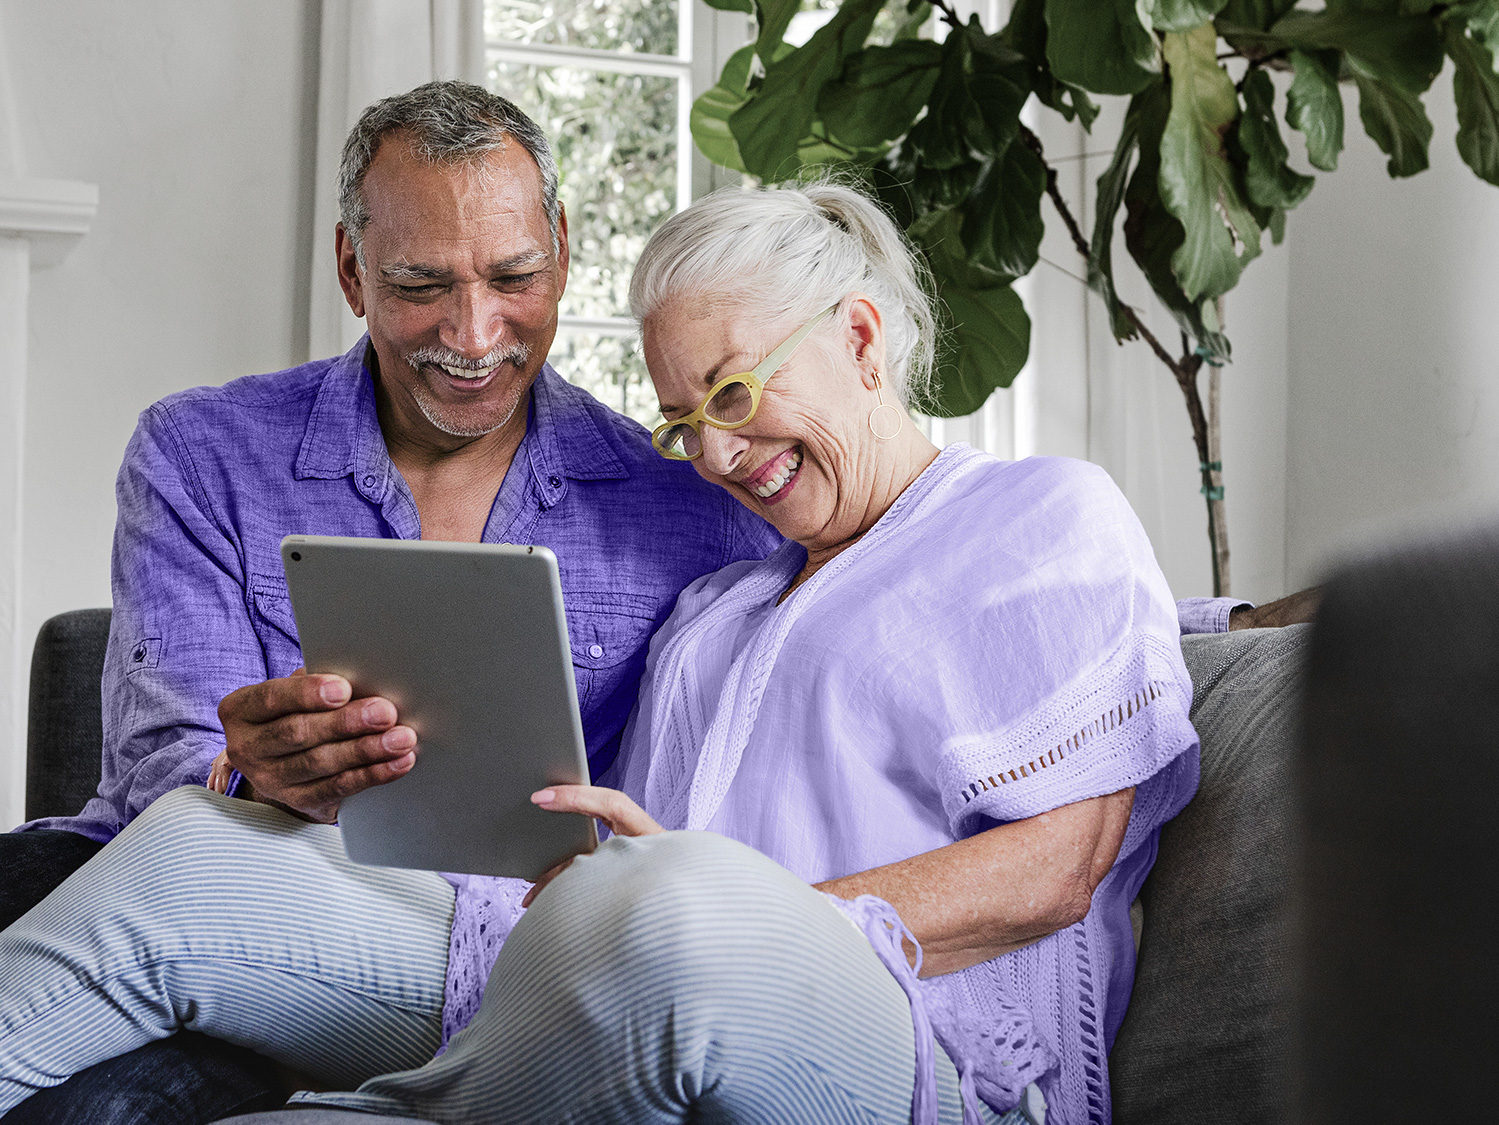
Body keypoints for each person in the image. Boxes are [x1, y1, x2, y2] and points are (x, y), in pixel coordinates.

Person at [3, 177, 1250, 1124]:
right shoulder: (726, 600)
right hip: (580, 969)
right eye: (680, 419)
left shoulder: (1038, 517)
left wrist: (689, 910)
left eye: (733, 394)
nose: (715, 454)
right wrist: (598, 901)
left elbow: (1055, 870)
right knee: (197, 851)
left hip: (907, 1046)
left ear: (863, 341)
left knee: (673, 910)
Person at [0, 81, 779, 1122]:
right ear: (350, 270)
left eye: (514, 277)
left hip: (442, 951)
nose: (473, 332)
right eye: (419, 284)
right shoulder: (201, 452)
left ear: (562, 250)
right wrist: (252, 774)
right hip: (199, 869)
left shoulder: (693, 506)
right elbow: (159, 771)